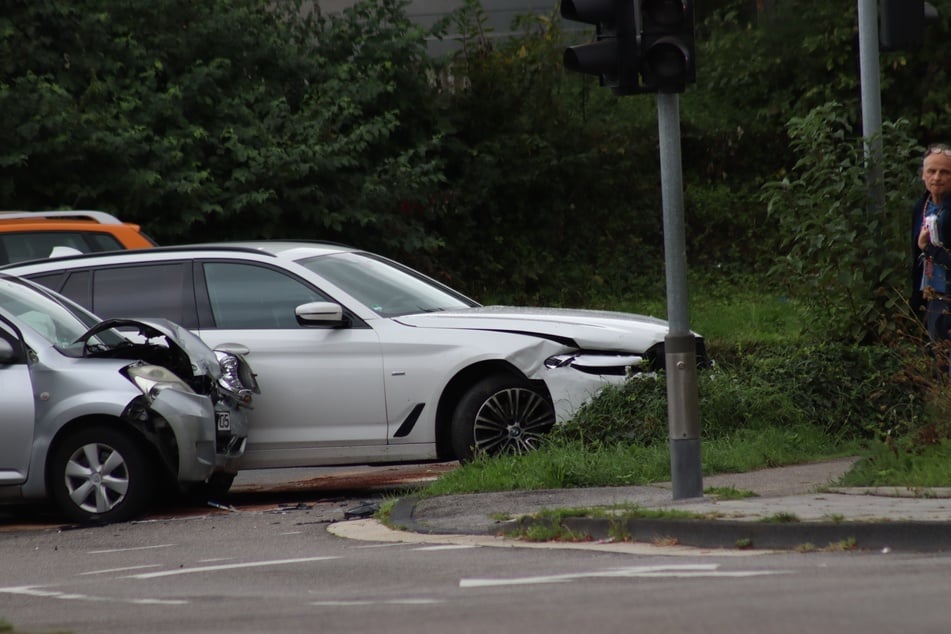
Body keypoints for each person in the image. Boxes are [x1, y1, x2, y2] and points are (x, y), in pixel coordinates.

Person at [914, 143, 951, 342]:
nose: (937, 178)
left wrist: (928, 248)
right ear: (923, 175)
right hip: (930, 294)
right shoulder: (921, 207)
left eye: (944, 172)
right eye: (932, 171)